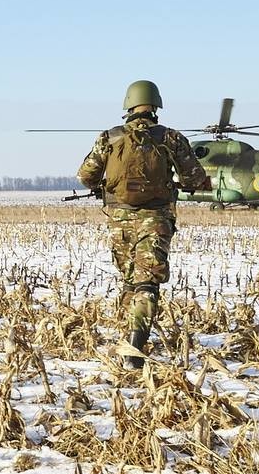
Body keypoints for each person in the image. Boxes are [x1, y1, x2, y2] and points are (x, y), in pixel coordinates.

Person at [76, 80, 211, 369]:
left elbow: (86, 176)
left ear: (129, 104)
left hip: (119, 221)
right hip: (156, 218)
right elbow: (194, 178)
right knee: (146, 283)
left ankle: (129, 340)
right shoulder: (171, 138)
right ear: (156, 105)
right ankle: (134, 350)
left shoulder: (109, 138)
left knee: (129, 280)